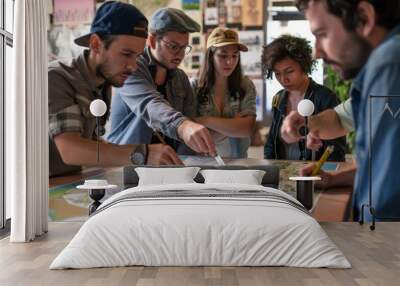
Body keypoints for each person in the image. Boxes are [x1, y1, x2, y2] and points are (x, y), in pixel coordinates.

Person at [282, 0, 400, 221]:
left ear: (363, 18)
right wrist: (336, 178)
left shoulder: (388, 63)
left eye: (322, 34)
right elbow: (340, 120)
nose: (317, 52)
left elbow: (386, 202)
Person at [48, 2, 182, 177]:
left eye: (137, 56)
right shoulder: (57, 78)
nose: (133, 66)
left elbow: (94, 143)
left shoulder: (104, 83)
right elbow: (70, 149)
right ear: (96, 44)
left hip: (71, 182)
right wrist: (142, 154)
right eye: (126, 54)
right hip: (39, 191)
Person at [106, 8, 216, 157]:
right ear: (151, 40)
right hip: (130, 163)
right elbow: (149, 104)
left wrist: (186, 166)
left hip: (169, 166)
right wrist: (183, 126)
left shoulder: (181, 78)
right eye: (173, 46)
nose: (180, 54)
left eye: (184, 48)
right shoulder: (130, 68)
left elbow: (189, 124)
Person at [262, 35, 346, 161]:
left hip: (315, 174)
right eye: (277, 74)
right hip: (282, 173)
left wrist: (324, 176)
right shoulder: (278, 98)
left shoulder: (325, 97)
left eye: (289, 71)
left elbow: (335, 151)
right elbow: (271, 142)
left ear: (304, 66)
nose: (283, 79)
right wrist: (269, 168)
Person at [191, 27, 257, 158]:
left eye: (235, 56)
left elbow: (247, 128)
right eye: (223, 55)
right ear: (211, 55)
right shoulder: (195, 86)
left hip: (238, 162)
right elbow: (192, 133)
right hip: (202, 162)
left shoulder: (245, 85)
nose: (230, 62)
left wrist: (205, 120)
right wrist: (233, 124)